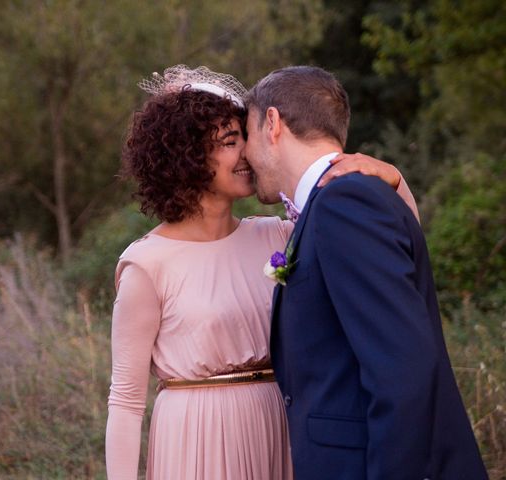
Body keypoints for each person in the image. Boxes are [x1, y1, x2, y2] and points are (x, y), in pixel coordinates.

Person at [105, 65, 419, 480]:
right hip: (196, 439)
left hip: (281, 428)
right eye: (231, 142)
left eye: (246, 139)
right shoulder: (147, 264)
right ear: (187, 155)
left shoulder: (280, 235)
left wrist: (393, 181)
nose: (248, 154)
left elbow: (402, 251)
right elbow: (126, 400)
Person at [244, 65, 488, 480]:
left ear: (272, 123)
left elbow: (403, 370)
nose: (246, 154)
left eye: (246, 134)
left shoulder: (345, 203)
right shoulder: (337, 202)